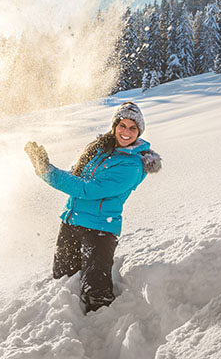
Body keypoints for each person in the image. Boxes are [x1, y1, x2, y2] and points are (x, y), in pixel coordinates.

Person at [24, 102, 161, 313]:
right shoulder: (100, 149)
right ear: (114, 125)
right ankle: (66, 329)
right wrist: (44, 167)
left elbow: (87, 189)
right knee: (63, 283)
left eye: (132, 128)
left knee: (95, 292)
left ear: (139, 132)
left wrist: (48, 172)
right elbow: (74, 175)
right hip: (71, 222)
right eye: (122, 125)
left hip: (99, 231)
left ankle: (102, 335)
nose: (126, 132)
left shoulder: (131, 166)